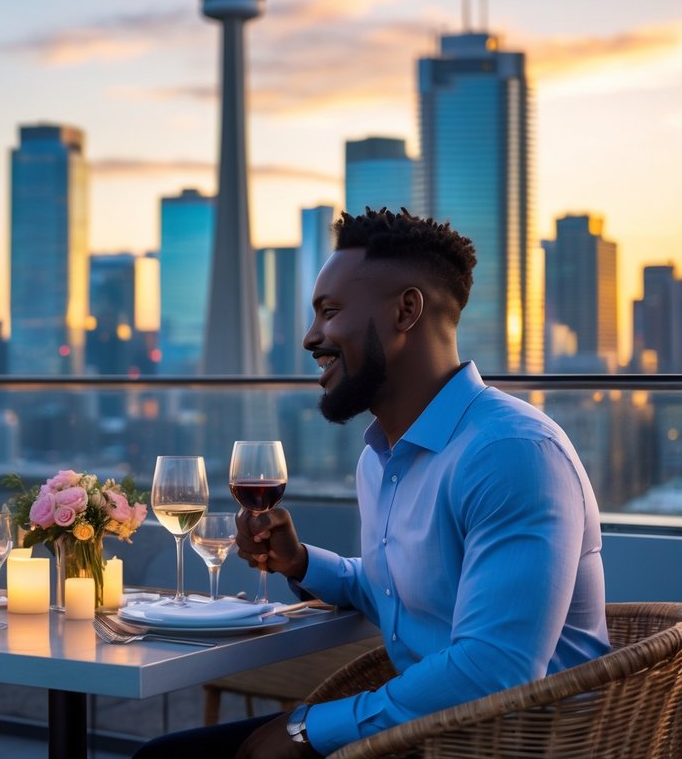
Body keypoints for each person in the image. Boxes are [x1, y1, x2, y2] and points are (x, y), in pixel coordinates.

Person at [135, 208, 610, 759]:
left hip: (515, 742)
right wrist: (301, 563)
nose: (312, 337)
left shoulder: (510, 454)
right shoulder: (380, 458)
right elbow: (402, 590)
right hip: (431, 733)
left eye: (329, 312)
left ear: (407, 310)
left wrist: (307, 729)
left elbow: (495, 669)